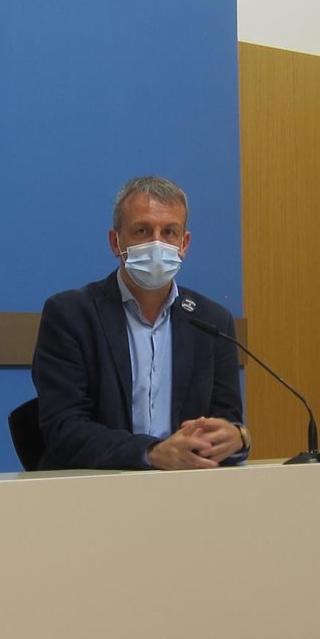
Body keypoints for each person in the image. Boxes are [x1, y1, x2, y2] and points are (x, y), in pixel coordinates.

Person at [31, 176, 251, 470]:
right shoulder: (71, 315)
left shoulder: (212, 321)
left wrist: (238, 438)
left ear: (184, 244)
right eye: (142, 231)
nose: (157, 243)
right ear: (116, 242)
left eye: (169, 232)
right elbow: (64, 429)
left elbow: (227, 421)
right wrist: (152, 453)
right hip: (97, 487)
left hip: (188, 487)